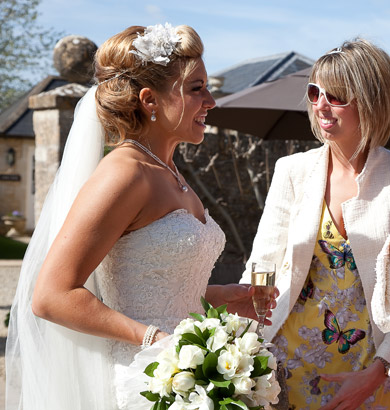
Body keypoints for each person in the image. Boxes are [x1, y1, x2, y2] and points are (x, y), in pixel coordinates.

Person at [5, 23, 272, 410]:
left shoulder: (173, 175)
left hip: (187, 380)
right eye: (197, 89)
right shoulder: (125, 173)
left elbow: (155, 292)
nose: (212, 101)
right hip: (148, 383)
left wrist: (225, 299)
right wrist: (155, 340)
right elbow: (51, 296)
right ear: (150, 100)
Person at [241, 39, 390, 409]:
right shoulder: (292, 171)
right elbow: (261, 262)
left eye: (337, 96)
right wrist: (252, 327)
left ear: (372, 100)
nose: (321, 106)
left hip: (371, 366)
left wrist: (381, 368)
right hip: (286, 362)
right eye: (315, 92)